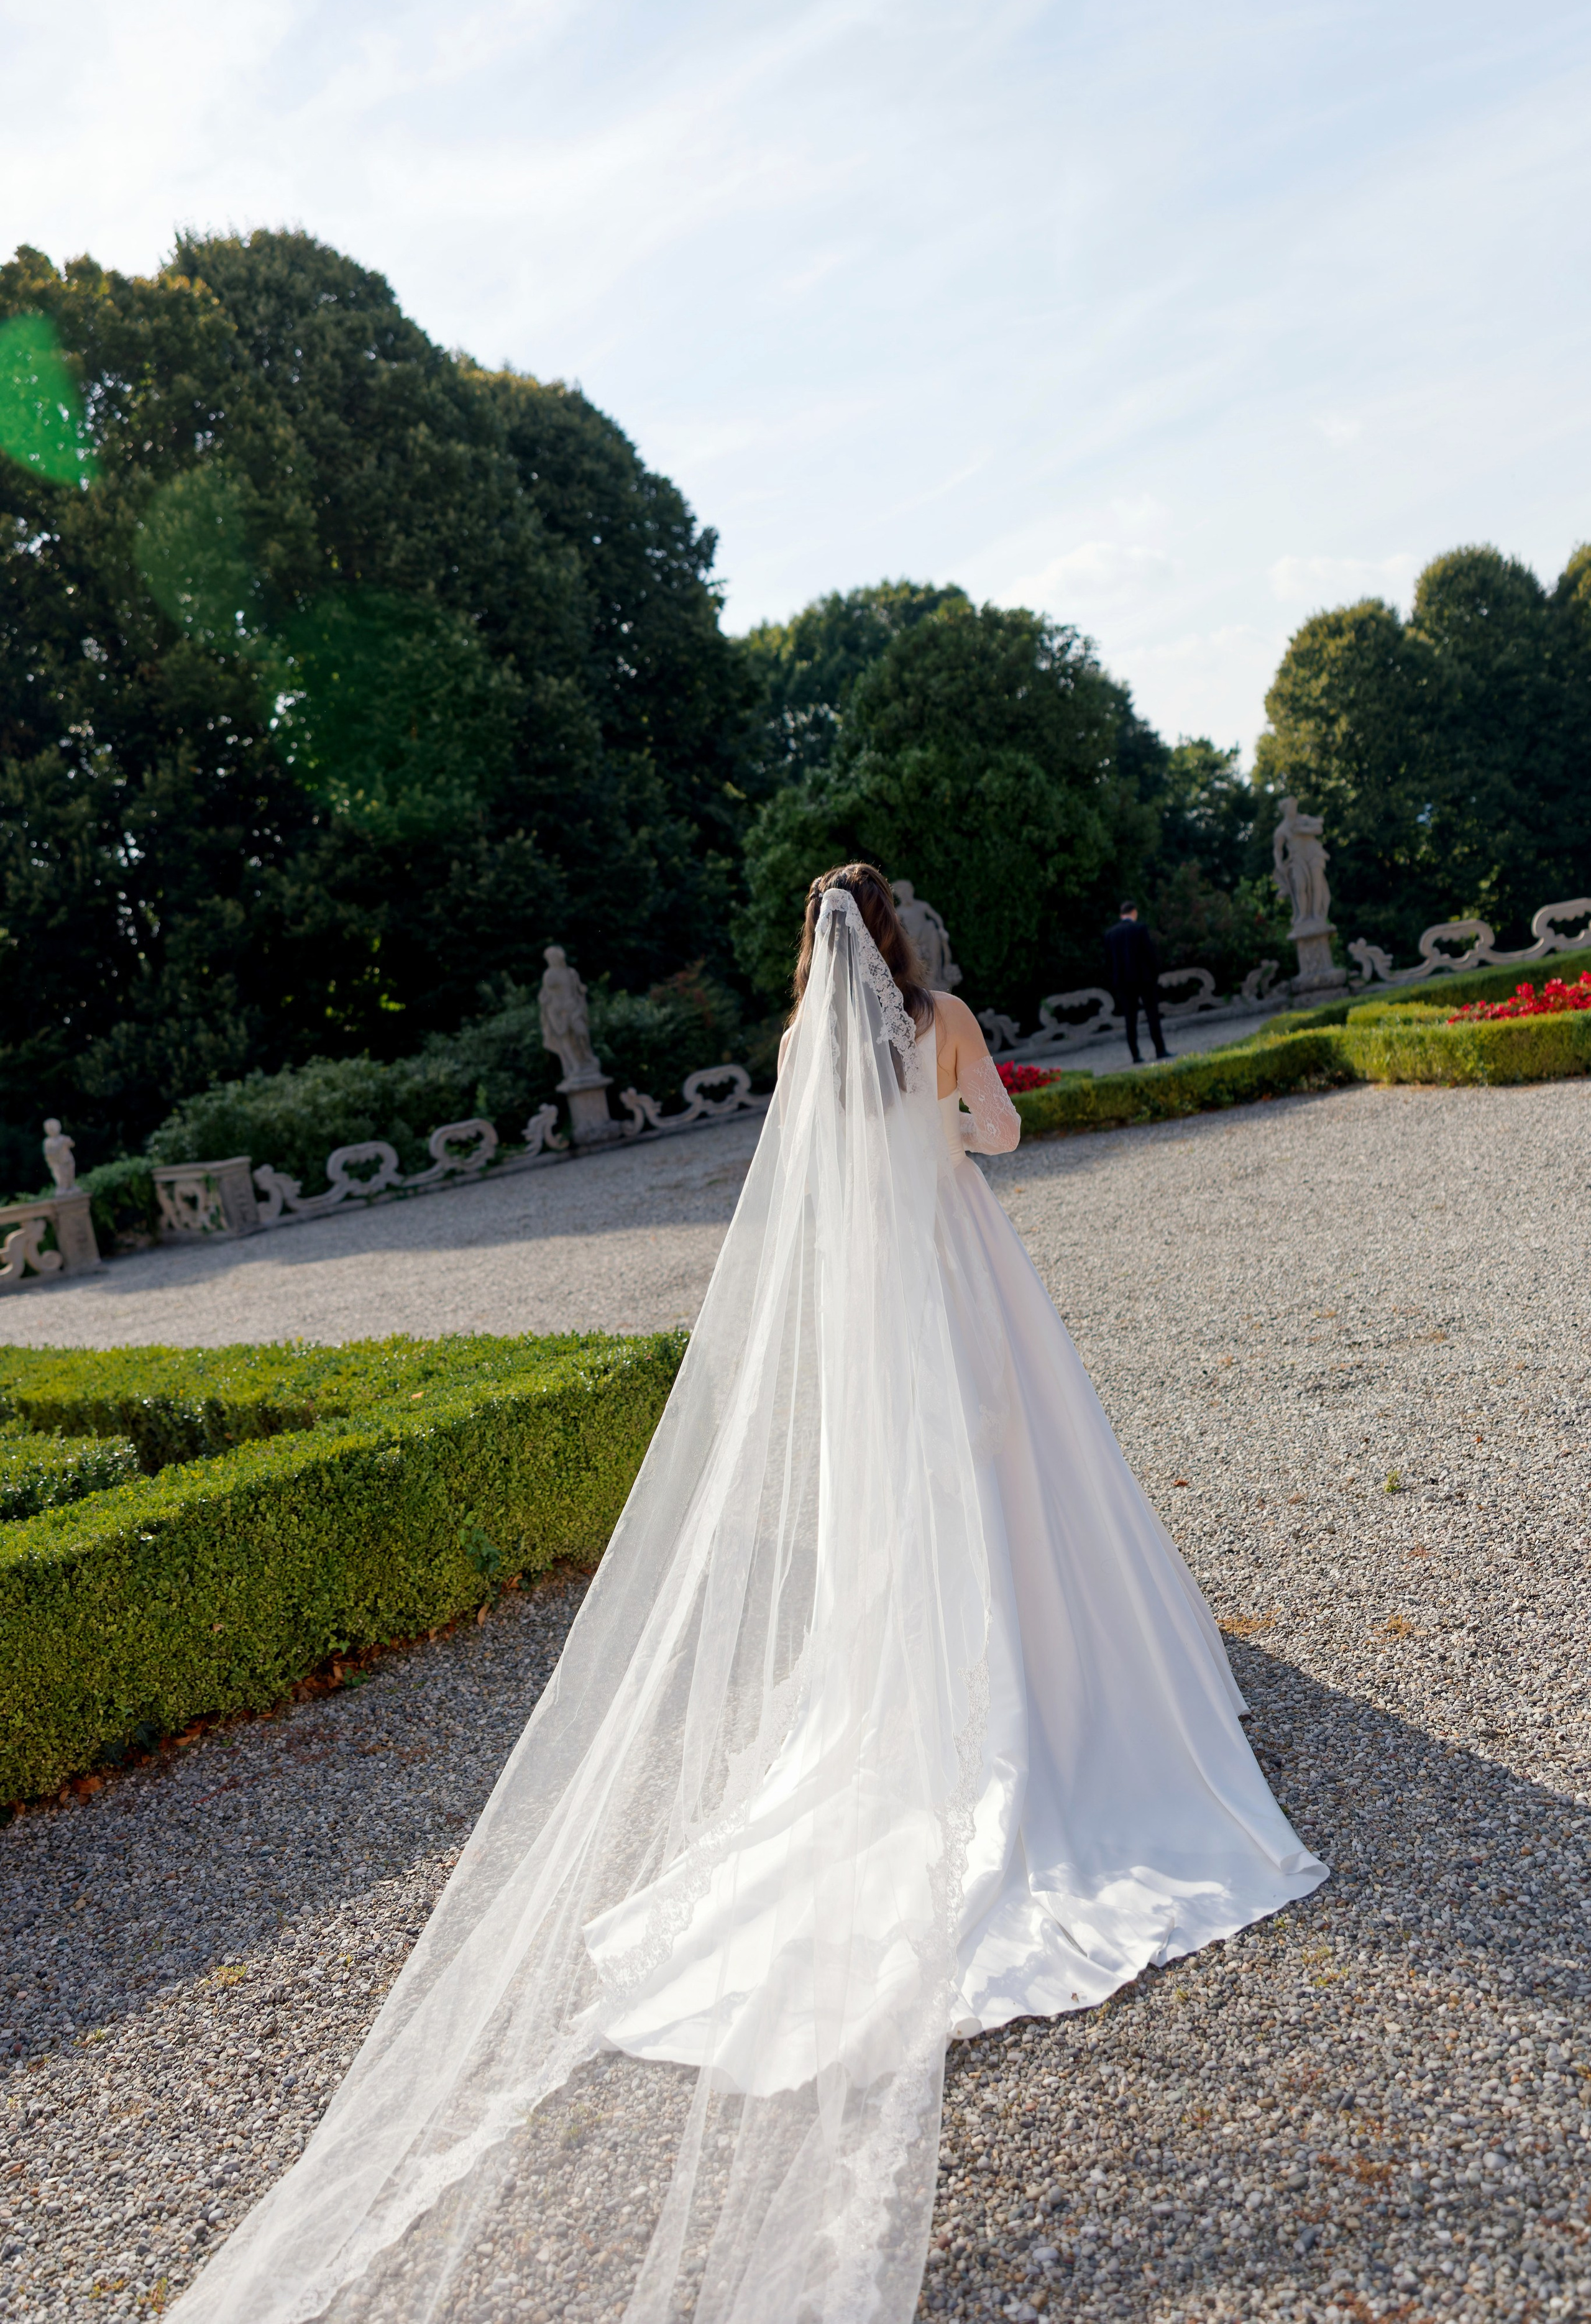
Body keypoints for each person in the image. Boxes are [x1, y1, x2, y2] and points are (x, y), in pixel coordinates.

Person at [171, 864, 1324, 2324]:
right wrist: (959, 1120)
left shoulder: (799, 1052)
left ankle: (941, 1701)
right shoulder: (943, 1019)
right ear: (900, 932)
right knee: (1019, 1486)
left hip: (879, 1323)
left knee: (915, 1519)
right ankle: (1057, 1686)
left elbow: (804, 1208)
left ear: (811, 948)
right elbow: (998, 1133)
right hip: (964, 1282)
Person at [1104, 898, 1171, 1063]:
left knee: (1130, 1019)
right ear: (1134, 912)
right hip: (1144, 980)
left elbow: (1109, 962)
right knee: (1152, 1015)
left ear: (1121, 915)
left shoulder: (1111, 934)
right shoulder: (1139, 929)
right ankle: (1160, 1050)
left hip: (1124, 983)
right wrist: (1154, 975)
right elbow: (1150, 955)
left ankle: (1135, 1055)